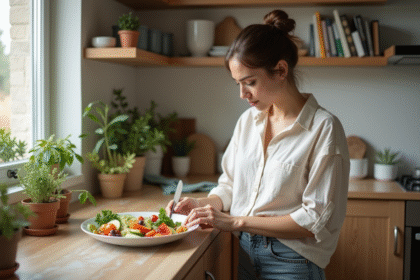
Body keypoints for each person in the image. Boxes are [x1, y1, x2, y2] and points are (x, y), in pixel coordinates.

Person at [166, 9, 350, 280]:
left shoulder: (324, 128)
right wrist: (204, 204)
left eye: (250, 82)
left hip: (292, 261)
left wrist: (235, 222)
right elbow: (230, 186)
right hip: (244, 251)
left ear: (280, 70)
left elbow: (315, 219)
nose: (242, 94)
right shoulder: (248, 122)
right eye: (238, 84)